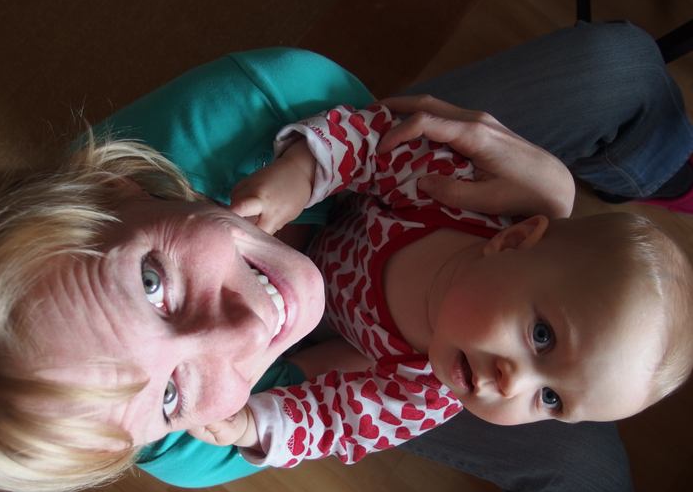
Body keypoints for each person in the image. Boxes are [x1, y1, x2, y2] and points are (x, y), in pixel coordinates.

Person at [0, 20, 690, 492]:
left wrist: (303, 172)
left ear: (120, 184)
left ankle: (659, 169)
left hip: (377, 193)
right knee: (588, 477)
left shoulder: (408, 182)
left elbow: (366, 141)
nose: (244, 329)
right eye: (168, 396)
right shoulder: (201, 441)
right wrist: (254, 420)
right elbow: (334, 420)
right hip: (423, 288)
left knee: (620, 64)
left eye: (151, 282)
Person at [191, 102, 692, 468]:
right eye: (542, 337)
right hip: (324, 217)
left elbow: (336, 422)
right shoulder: (456, 198)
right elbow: (372, 144)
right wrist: (301, 175)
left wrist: (253, 425)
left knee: (301, 371)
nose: (512, 384)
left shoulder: (424, 397)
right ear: (514, 241)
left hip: (330, 329)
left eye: (551, 400)